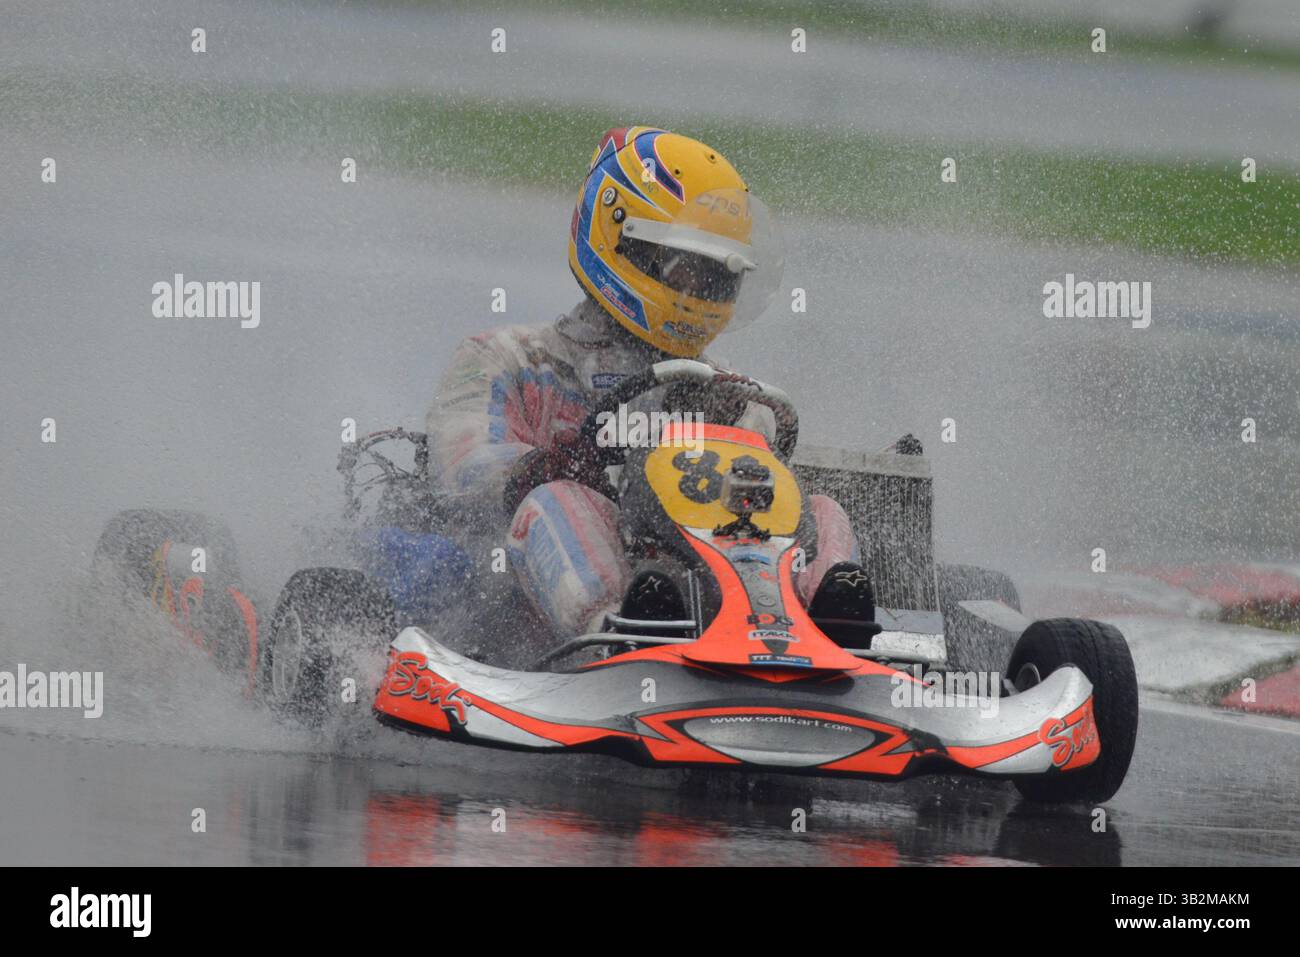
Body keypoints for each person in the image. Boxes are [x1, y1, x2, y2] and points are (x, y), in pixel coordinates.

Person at [426, 126, 865, 639]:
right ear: (622, 244)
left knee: (822, 509)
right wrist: (544, 468)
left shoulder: (726, 394)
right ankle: (618, 628)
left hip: (716, 590)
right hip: (518, 610)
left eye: (715, 277)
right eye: (683, 270)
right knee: (559, 499)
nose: (699, 290)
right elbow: (461, 472)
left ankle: (830, 633)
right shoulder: (510, 359)